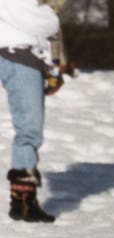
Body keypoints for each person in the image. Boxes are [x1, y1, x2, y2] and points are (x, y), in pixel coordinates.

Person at [1, 0, 62, 222]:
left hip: (27, 54)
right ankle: (24, 201)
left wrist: (50, 67)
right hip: (15, 52)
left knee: (30, 128)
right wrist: (52, 16)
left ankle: (24, 200)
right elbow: (35, 19)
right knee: (29, 128)